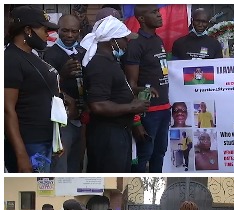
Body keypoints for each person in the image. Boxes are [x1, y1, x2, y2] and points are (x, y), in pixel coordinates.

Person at [81, 16, 145, 173]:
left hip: (119, 131)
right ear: (112, 41)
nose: (127, 43)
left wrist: (137, 93)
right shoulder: (100, 64)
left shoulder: (110, 61)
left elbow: (114, 90)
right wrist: (131, 107)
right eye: (124, 39)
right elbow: (98, 105)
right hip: (108, 135)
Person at [5, 6, 64, 173]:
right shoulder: (11, 60)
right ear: (28, 30)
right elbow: (7, 110)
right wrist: (21, 154)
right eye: (45, 29)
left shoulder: (33, 56)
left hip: (46, 140)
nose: (48, 34)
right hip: (29, 143)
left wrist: (56, 139)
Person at [126, 4, 170, 173]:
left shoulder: (157, 40)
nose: (159, 15)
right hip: (148, 112)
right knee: (145, 154)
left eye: (158, 11)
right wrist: (136, 120)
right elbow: (131, 85)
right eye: (154, 12)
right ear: (142, 19)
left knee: (160, 153)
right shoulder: (136, 44)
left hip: (164, 109)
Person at [44, 14, 85, 173]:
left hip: (81, 118)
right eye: (65, 31)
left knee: (77, 163)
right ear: (58, 30)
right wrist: (62, 74)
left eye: (74, 31)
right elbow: (47, 86)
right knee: (61, 165)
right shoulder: (50, 54)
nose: (69, 35)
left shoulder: (82, 51)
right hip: (62, 120)